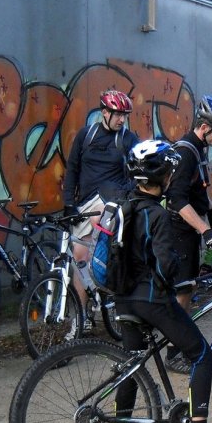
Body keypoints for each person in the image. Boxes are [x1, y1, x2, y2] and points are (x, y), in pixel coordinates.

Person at [108, 140, 212, 423]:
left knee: (132, 366)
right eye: (169, 172)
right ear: (163, 176)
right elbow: (166, 267)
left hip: (123, 301)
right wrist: (189, 279)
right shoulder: (157, 215)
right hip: (152, 300)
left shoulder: (125, 208)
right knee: (202, 355)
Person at [164, 95, 212, 373]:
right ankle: (173, 352)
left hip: (189, 232)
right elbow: (176, 200)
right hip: (179, 232)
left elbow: (197, 192)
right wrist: (205, 230)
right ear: (205, 128)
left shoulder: (198, 150)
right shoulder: (185, 153)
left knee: (188, 289)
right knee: (181, 293)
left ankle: (181, 342)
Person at [63, 90, 139, 317]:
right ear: (104, 112)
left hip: (111, 209)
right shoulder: (86, 135)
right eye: (117, 114)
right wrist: (69, 203)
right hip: (85, 205)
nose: (121, 119)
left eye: (124, 115)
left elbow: (138, 175)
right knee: (79, 259)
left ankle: (114, 305)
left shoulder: (128, 140)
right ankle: (81, 318)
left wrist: (123, 198)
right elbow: (72, 170)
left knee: (107, 259)